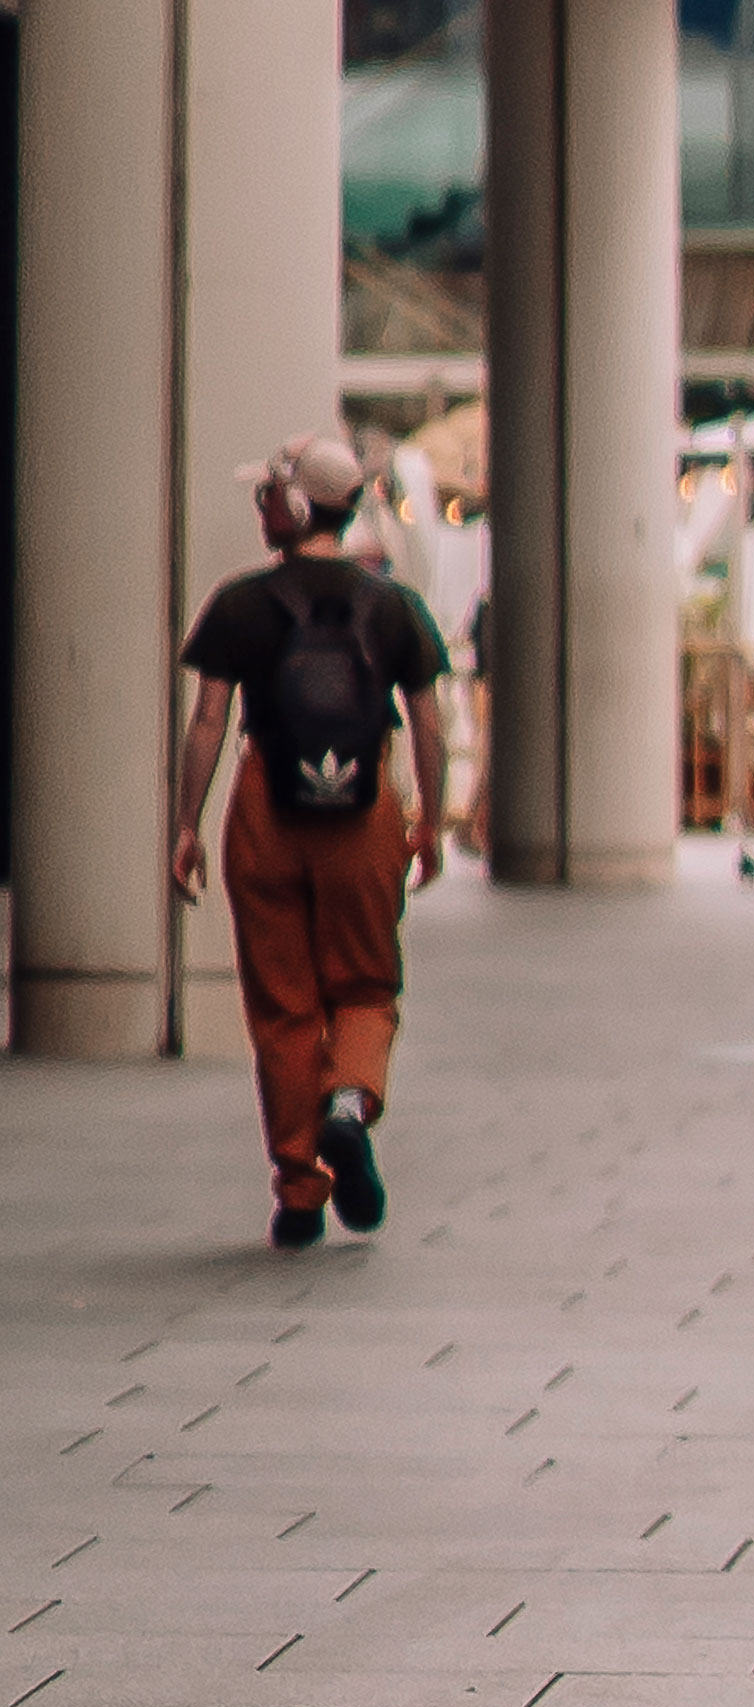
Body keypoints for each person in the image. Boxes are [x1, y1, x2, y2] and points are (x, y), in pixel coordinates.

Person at [171, 434, 450, 1251]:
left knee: (282, 1005)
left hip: (267, 807)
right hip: (366, 809)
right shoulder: (392, 606)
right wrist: (429, 818)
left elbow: (210, 720)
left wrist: (186, 823)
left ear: (294, 509)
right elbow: (428, 721)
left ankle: (299, 1190)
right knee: (366, 984)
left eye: (267, 497)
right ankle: (348, 1102)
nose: (260, 509)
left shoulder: (240, 603)